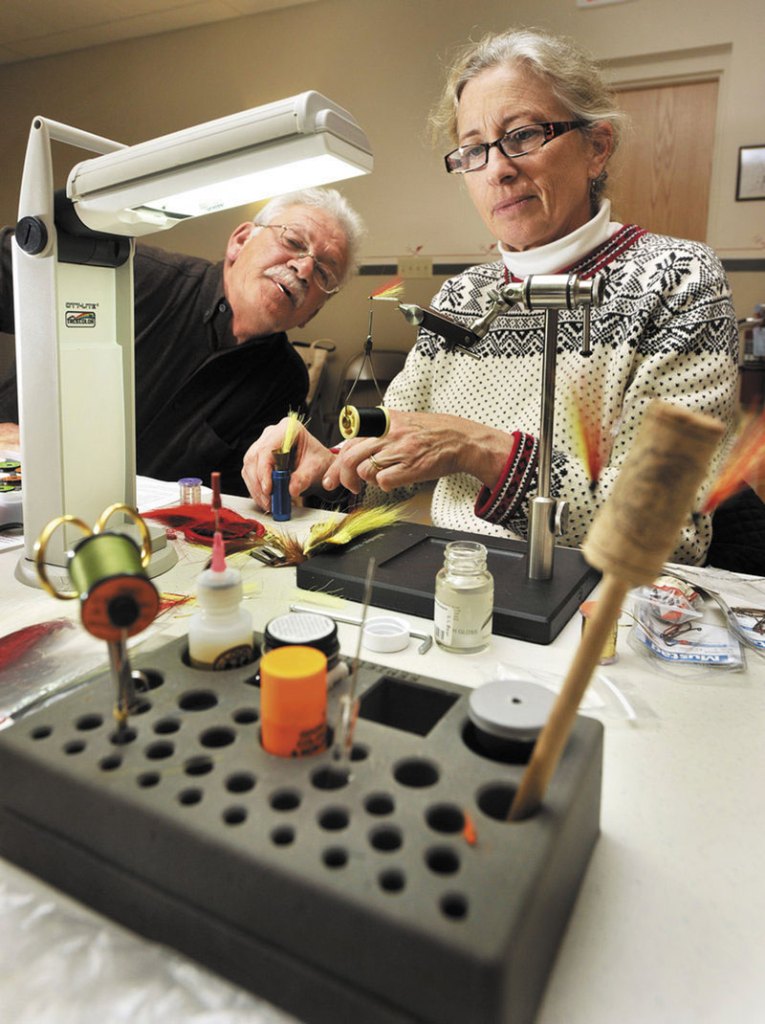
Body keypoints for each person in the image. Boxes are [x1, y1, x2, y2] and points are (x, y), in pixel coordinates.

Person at [242, 28, 738, 564]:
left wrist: (481, 450)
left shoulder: (679, 278)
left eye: (523, 135)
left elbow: (671, 531)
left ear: (597, 148)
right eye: (474, 150)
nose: (498, 169)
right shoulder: (464, 295)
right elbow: (392, 465)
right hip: (446, 575)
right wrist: (330, 462)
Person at [0, 187, 364, 495]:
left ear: (314, 312)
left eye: (323, 272)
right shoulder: (131, 276)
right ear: (240, 241)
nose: (303, 268)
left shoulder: (284, 380)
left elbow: (243, 498)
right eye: (293, 242)